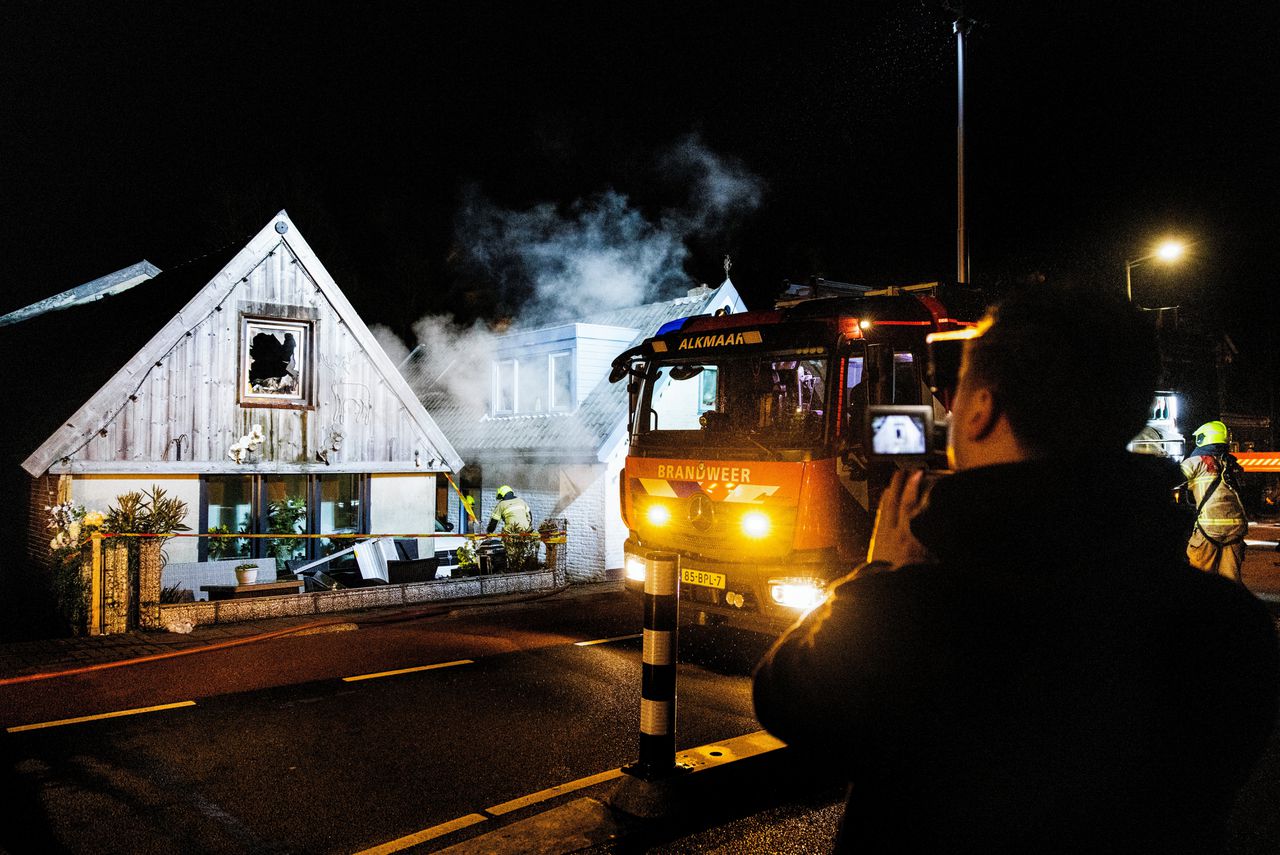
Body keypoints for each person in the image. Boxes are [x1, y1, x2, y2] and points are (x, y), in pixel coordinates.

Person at [753, 284, 1278, 854]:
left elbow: (788, 701)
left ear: (982, 409)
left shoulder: (926, 614)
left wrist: (880, 577)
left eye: (958, 394)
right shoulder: (1230, 626)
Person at [1181, 420, 1248, 581]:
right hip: (1236, 530)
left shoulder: (1195, 463)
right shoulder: (1232, 464)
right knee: (1231, 582)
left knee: (1200, 580)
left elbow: (1171, 480)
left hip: (1208, 529)